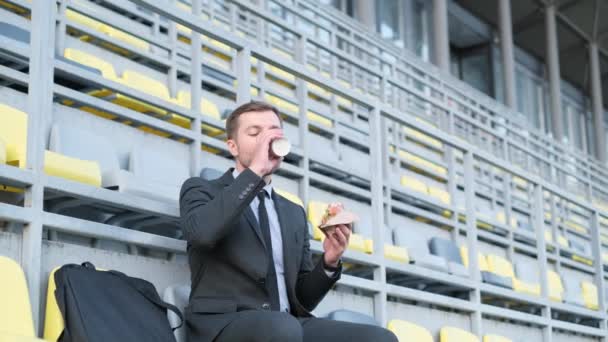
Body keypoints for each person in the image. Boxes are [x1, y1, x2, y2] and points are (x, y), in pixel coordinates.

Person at [180, 101, 398, 342]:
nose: (266, 139)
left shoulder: (293, 212)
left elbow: (303, 299)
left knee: (380, 338)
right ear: (233, 146)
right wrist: (256, 171)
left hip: (287, 326)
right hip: (224, 326)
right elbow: (202, 234)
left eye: (273, 132)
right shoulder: (201, 189)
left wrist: (329, 261)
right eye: (254, 133)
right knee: (283, 328)